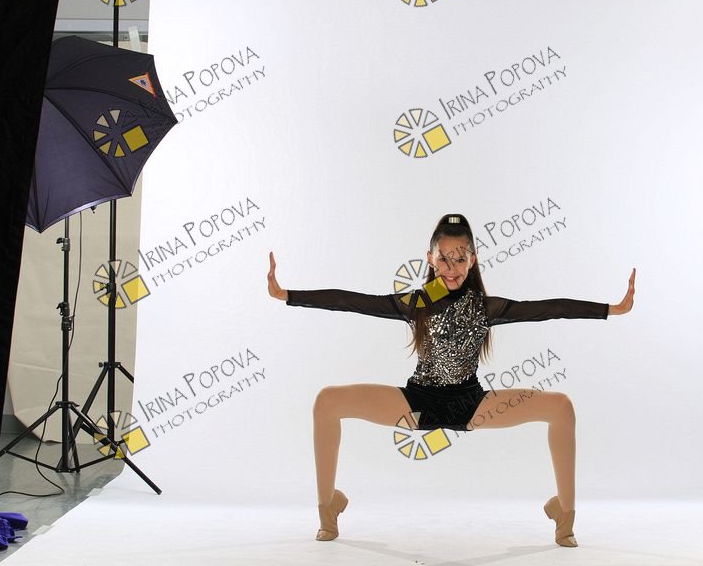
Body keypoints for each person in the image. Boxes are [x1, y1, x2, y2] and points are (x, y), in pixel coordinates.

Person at [267, 213, 635, 547]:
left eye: (460, 259)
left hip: (470, 405)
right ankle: (328, 507)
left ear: (473, 260)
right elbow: (354, 301)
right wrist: (288, 295)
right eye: (444, 258)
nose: (452, 268)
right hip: (417, 404)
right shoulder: (418, 302)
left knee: (561, 407)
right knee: (327, 401)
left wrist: (612, 309)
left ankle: (564, 514)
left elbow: (550, 309)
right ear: (430, 258)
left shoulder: (485, 307)